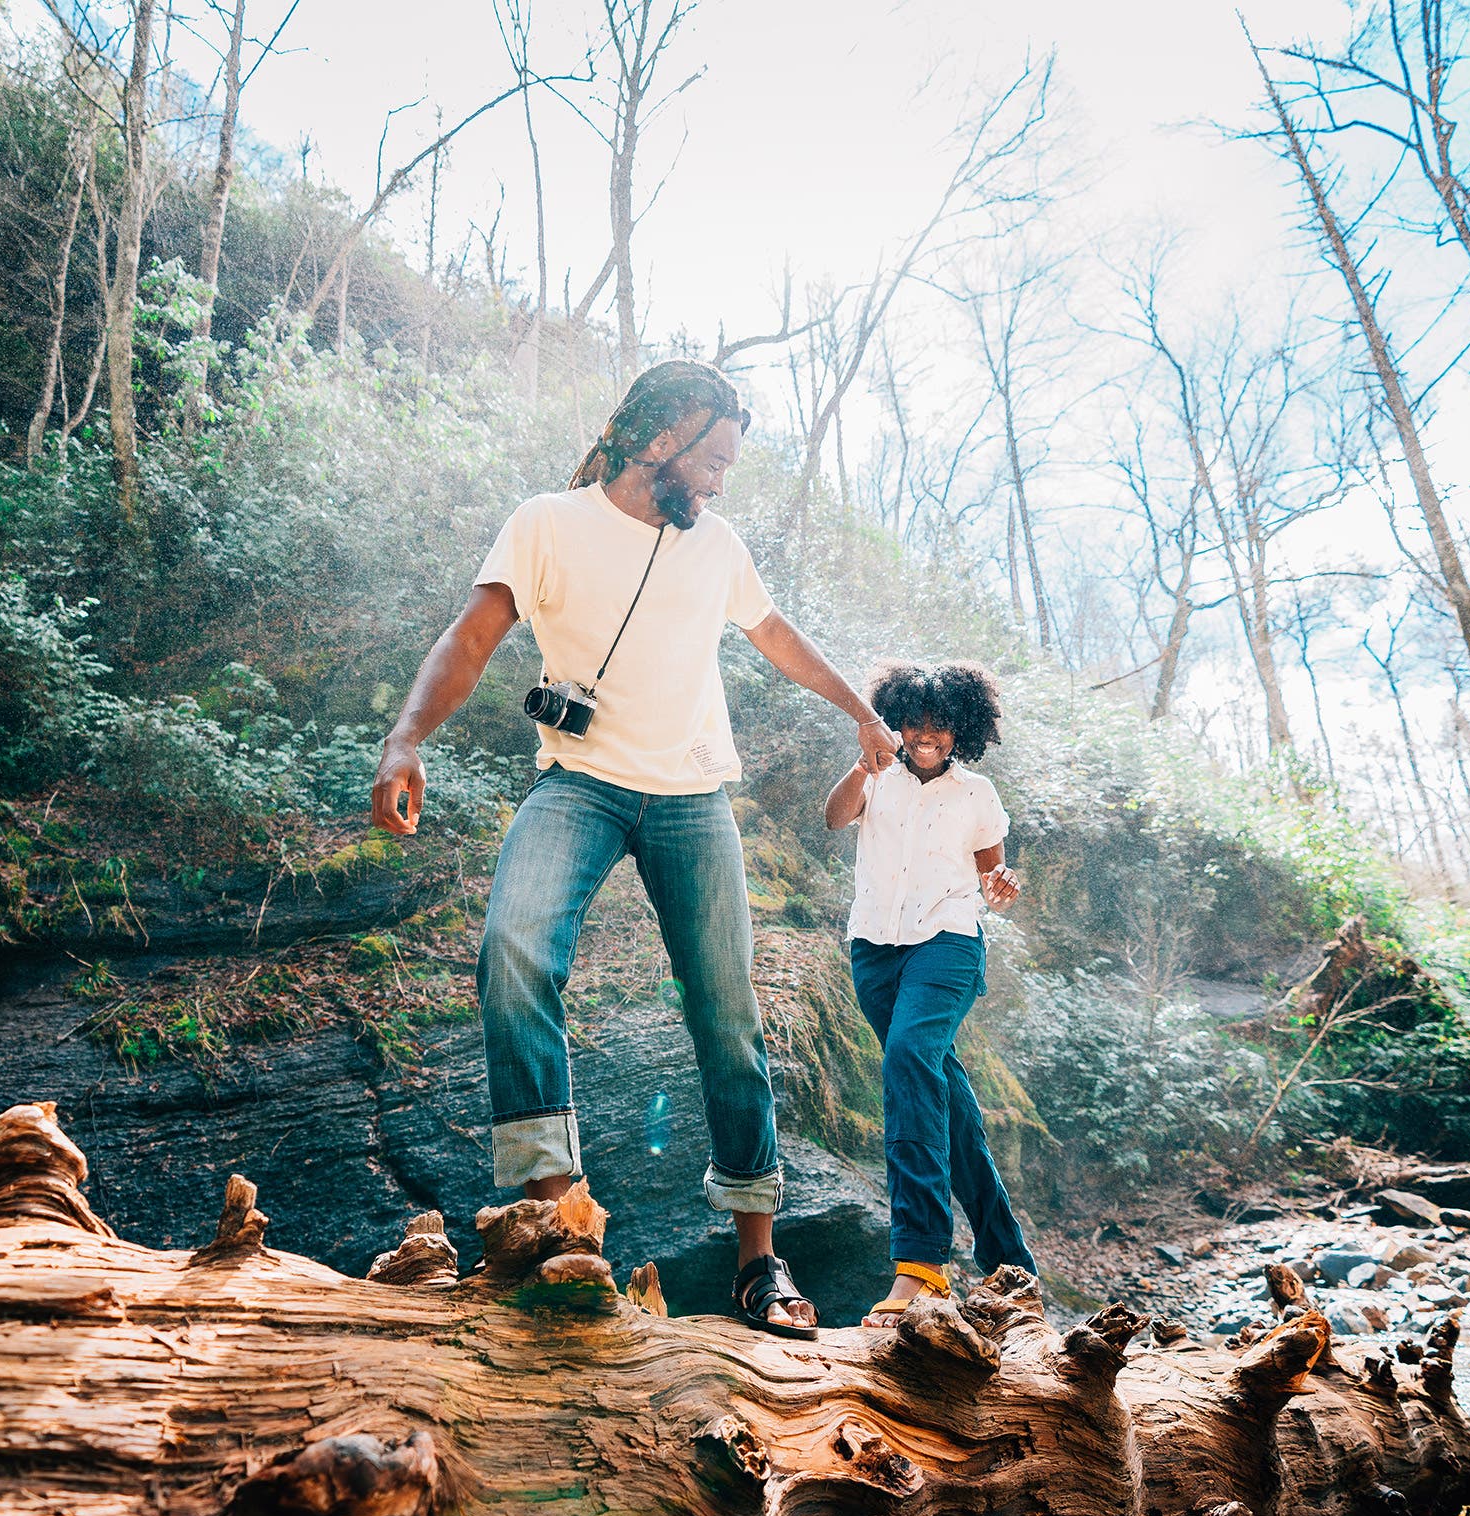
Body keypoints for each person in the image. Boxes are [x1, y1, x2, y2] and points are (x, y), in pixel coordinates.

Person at [370, 359, 901, 1337]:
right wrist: (406, 738)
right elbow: (476, 632)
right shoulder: (547, 523)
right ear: (659, 441)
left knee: (728, 1016)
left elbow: (775, 635)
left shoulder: (720, 546)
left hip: (693, 796)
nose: (719, 483)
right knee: (513, 952)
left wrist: (859, 709)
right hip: (578, 785)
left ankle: (759, 1262)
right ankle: (558, 1213)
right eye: (713, 461)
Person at [821, 660, 1036, 1326]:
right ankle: (1013, 1267)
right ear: (898, 722)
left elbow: (992, 874)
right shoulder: (874, 778)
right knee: (946, 1104)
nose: (925, 736)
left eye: (940, 727)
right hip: (874, 951)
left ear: (961, 729)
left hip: (948, 944)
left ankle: (920, 1266)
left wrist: (1001, 888)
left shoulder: (976, 794)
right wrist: (863, 764)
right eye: (914, 723)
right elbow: (833, 820)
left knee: (910, 1058)